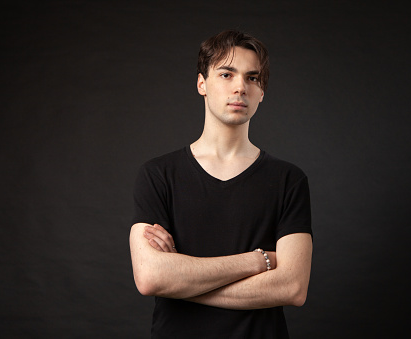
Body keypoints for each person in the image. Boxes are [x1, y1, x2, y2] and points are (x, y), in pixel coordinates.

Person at [129, 29, 313, 338]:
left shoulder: (288, 180)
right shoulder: (157, 175)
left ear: (262, 91)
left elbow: (293, 287)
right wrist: (259, 260)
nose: (240, 87)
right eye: (226, 74)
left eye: (253, 78)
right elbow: (150, 277)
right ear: (202, 83)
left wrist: (182, 281)